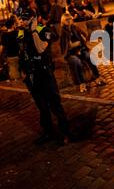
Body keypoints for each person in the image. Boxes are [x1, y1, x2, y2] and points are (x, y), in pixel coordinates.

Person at [17, 8, 74, 146]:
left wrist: (34, 29)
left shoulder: (44, 30)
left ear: (32, 18)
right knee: (42, 107)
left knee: (55, 104)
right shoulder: (21, 32)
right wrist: (23, 72)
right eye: (19, 18)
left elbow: (41, 48)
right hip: (32, 76)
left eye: (23, 18)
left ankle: (66, 133)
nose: (20, 21)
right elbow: (22, 50)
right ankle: (48, 132)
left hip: (44, 73)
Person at [60, 13, 105, 93]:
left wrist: (82, 39)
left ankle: (97, 78)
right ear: (63, 21)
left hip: (80, 49)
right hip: (70, 53)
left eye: (70, 19)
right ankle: (81, 83)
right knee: (77, 62)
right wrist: (75, 44)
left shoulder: (74, 27)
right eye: (67, 20)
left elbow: (84, 34)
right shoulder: (63, 32)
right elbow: (67, 46)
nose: (69, 21)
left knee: (90, 57)